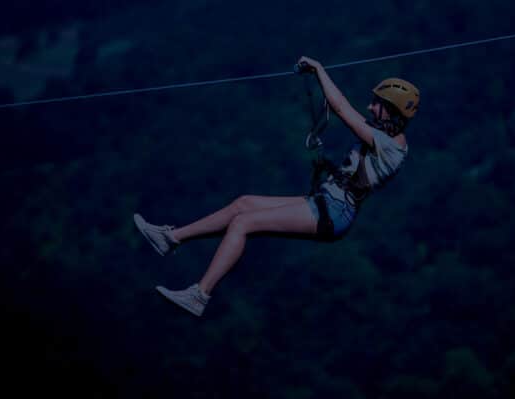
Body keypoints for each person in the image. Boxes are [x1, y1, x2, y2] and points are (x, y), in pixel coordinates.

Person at [133, 56, 420, 316]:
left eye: (376, 104)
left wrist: (319, 69)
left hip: (333, 212)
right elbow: (346, 108)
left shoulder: (389, 147)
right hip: (326, 202)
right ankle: (170, 239)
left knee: (244, 222)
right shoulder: (383, 135)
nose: (369, 107)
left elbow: (342, 109)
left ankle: (199, 295)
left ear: (392, 112)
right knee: (243, 203)